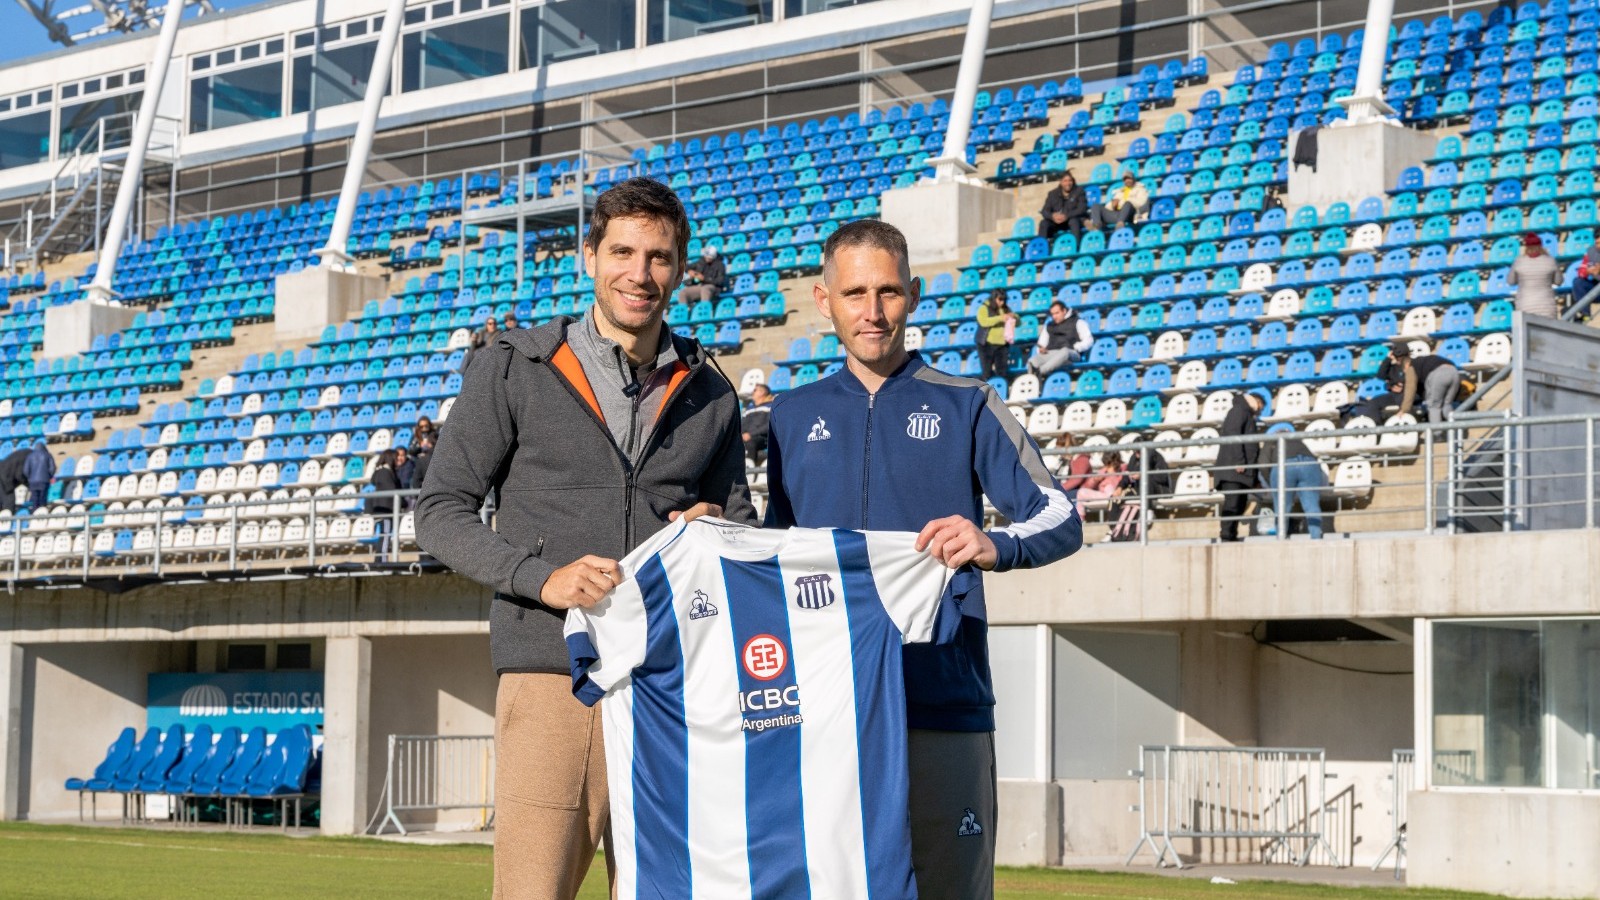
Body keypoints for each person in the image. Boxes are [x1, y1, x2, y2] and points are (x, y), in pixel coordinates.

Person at [416, 176, 755, 900]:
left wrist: (717, 533)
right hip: (550, 677)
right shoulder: (515, 367)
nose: (641, 273)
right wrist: (542, 579)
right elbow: (440, 511)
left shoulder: (711, 390)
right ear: (588, 257)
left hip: (670, 686)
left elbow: (741, 526)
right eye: (624, 252)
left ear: (679, 265)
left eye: (659, 257)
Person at [763, 218, 1082, 900]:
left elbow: (1061, 515)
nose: (871, 312)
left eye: (887, 292)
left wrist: (997, 544)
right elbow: (775, 561)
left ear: (912, 294)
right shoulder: (791, 418)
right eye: (854, 294)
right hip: (825, 716)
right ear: (824, 301)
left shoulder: (968, 403)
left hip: (943, 702)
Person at [1214, 391, 1264, 542]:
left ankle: (1231, 535)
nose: (1261, 410)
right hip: (1234, 470)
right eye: (1261, 406)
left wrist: (1254, 478)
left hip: (1242, 473)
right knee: (1233, 503)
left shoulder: (1245, 413)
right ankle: (1226, 536)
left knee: (1239, 505)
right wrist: (1239, 461)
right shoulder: (1239, 411)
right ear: (1256, 401)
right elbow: (1232, 435)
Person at [1261, 432, 1325, 540]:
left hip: (1284, 465)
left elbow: (1263, 464)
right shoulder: (1298, 441)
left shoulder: (1270, 441)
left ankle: (1281, 539)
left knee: (1282, 508)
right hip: (1309, 463)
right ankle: (1316, 538)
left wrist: (1272, 483)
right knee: (1311, 506)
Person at [1391, 344, 1460, 424]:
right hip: (1454, 372)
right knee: (1446, 404)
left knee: (1434, 406)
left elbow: (1410, 389)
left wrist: (1404, 409)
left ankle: (1436, 435)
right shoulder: (1422, 361)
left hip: (1438, 374)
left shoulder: (1410, 366)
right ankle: (1455, 431)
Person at [1026, 300, 1092, 379]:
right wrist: (1040, 349)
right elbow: (1041, 343)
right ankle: (1033, 382)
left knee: (1065, 351)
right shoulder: (1049, 326)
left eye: (1057, 313)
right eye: (1052, 314)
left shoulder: (1078, 322)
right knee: (1032, 361)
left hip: (1071, 353)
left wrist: (1076, 347)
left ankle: (1040, 372)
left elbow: (1089, 340)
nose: (1054, 316)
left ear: (1064, 311)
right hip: (1053, 353)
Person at [1509, 232, 1561, 317]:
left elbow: (1511, 281)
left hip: (1525, 306)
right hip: (1547, 307)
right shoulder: (1550, 260)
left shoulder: (1519, 261)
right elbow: (1558, 281)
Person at [975, 291, 1017, 381]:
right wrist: (1000, 318)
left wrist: (1014, 316)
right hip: (986, 344)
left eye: (1004, 300)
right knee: (987, 372)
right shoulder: (984, 308)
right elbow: (983, 322)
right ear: (994, 298)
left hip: (1002, 345)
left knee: (1002, 372)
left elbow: (1018, 322)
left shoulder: (1006, 309)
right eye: (1000, 299)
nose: (1002, 302)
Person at [367, 449, 401, 561]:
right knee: (385, 536)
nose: (397, 460)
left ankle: (379, 560)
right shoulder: (385, 473)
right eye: (395, 458)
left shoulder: (378, 471)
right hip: (385, 510)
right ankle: (382, 561)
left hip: (379, 509)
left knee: (383, 535)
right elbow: (392, 490)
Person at [1038, 172, 1089, 240]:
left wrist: (1066, 215)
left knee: (1073, 221)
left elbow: (1082, 209)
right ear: (1061, 182)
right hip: (1057, 222)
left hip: (1071, 219)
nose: (1068, 183)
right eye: (1065, 181)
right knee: (1044, 223)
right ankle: (1042, 246)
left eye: (1070, 180)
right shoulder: (1052, 194)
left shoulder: (1079, 191)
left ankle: (1076, 245)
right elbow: (1045, 211)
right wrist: (1052, 216)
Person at [1052, 433, 1094, 501]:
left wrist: (1058, 490)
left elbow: (1076, 480)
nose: (1059, 453)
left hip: (1079, 491)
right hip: (1065, 490)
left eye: (1059, 450)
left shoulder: (1081, 459)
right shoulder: (1063, 461)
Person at [741, 382, 774, 464]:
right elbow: (742, 424)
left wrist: (750, 434)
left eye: (755, 390)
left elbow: (769, 425)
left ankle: (749, 471)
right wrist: (740, 435)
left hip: (763, 438)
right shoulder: (749, 408)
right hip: (746, 437)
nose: (753, 392)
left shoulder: (770, 406)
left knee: (750, 443)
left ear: (762, 392)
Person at [23, 440, 55, 509]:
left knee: (35, 499)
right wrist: (49, 476)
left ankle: (35, 514)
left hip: (33, 482)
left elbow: (26, 470)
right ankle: (42, 514)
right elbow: (52, 468)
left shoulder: (30, 456)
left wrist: (30, 478)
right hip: (44, 480)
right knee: (43, 499)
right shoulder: (48, 455)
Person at [1572, 234, 1600, 309]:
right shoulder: (1591, 252)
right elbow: (1581, 271)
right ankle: (1584, 314)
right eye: (1597, 243)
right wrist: (1588, 271)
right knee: (1578, 282)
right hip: (1596, 285)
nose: (1598, 246)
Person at [0, 447, 30, 513]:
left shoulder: (24, 453)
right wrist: (29, 484)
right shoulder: (26, 458)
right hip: (5, 478)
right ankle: (8, 519)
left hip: (4, 474)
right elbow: (19, 475)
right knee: (9, 501)